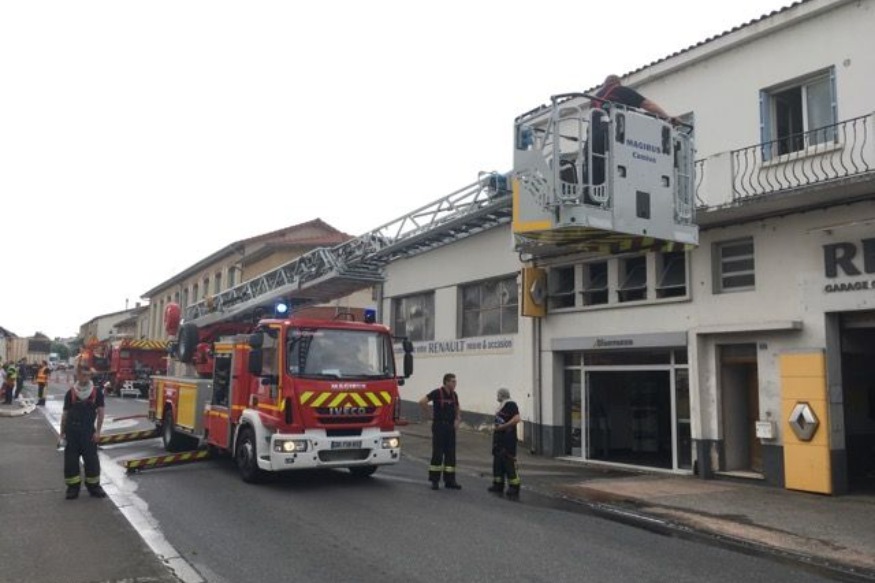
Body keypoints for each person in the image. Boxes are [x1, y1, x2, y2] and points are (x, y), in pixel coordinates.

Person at [60, 366, 107, 499]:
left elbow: (101, 413)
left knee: (92, 461)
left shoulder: (96, 393)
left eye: (88, 375)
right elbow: (65, 414)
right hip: (72, 432)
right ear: (78, 375)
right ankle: (72, 488)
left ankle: (94, 487)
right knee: (71, 462)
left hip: (88, 432)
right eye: (83, 375)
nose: (85, 378)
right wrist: (62, 434)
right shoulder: (70, 393)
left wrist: (98, 432)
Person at [419, 373, 462, 490]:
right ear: (446, 382)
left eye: (455, 381)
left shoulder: (454, 395)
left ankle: (450, 480)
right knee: (438, 453)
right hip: (439, 426)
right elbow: (422, 401)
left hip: (450, 427)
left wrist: (458, 419)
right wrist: (430, 415)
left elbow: (457, 407)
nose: (455, 383)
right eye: (453, 381)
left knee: (451, 454)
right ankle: (435, 480)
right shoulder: (437, 392)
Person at [488, 388, 522, 500]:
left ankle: (514, 486)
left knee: (508, 462)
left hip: (508, 439)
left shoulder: (511, 405)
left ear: (502, 395)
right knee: (498, 463)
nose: (497, 397)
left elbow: (517, 419)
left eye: (498, 395)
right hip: (499, 439)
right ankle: (498, 484)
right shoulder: (501, 406)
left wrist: (503, 427)